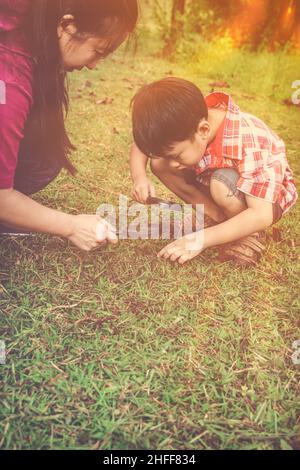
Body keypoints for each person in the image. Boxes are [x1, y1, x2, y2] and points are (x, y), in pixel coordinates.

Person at [0, 0, 139, 251]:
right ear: (66, 25)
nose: (93, 65)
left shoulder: (30, 30)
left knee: (46, 160)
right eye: (97, 51)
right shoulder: (8, 82)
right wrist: (71, 226)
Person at [130, 77, 298, 265]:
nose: (174, 163)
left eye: (176, 155)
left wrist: (199, 240)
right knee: (160, 164)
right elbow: (142, 144)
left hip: (264, 202)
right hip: (216, 180)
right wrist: (140, 177)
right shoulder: (184, 121)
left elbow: (262, 214)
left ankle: (250, 233)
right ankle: (217, 219)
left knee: (221, 184)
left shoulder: (250, 142)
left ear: (203, 130)